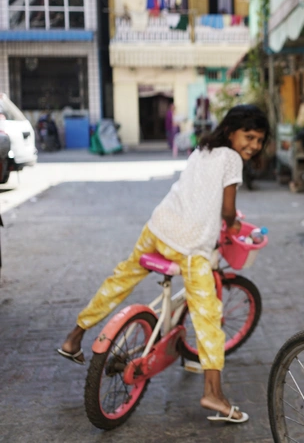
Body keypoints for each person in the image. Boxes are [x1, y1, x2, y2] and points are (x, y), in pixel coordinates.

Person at [57, 104, 270, 424]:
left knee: (120, 280)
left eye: (259, 141)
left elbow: (198, 193)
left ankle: (74, 336)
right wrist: (234, 226)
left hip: (157, 229)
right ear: (230, 132)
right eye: (249, 136)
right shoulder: (232, 159)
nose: (253, 145)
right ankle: (213, 392)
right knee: (209, 318)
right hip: (190, 247)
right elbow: (228, 211)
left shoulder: (202, 148)